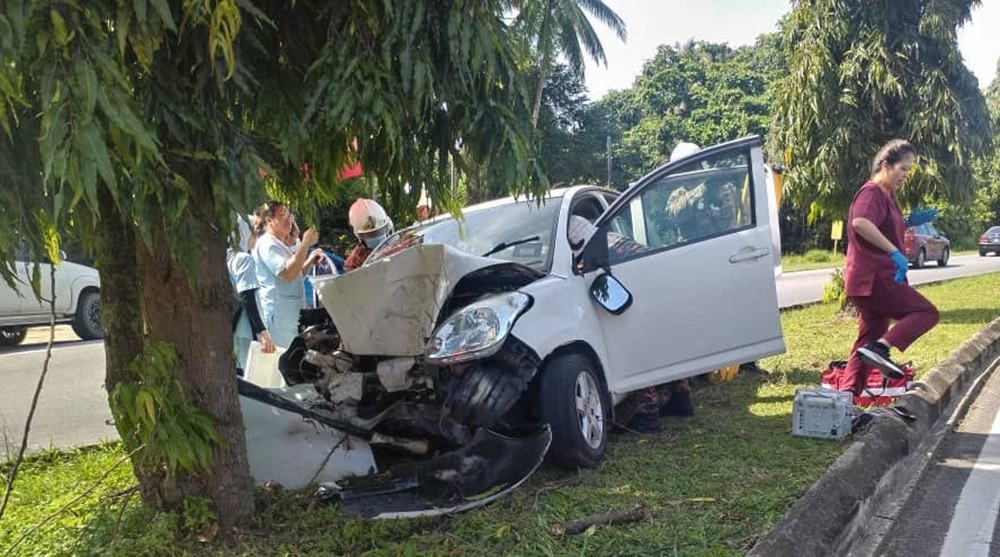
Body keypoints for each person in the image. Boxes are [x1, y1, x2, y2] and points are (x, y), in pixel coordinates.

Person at [843, 139, 940, 395]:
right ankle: (881, 349)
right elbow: (861, 222)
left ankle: (845, 399)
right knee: (926, 312)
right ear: (886, 165)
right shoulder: (871, 191)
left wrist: (908, 221)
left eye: (909, 170)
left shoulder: (887, 196)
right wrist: (894, 251)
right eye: (903, 169)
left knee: (866, 341)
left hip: (870, 279)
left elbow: (881, 224)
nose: (906, 175)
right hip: (874, 278)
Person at [253, 200, 325, 348]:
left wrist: (310, 261)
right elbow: (286, 273)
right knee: (282, 363)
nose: (289, 220)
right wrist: (304, 244)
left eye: (289, 215)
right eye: (282, 215)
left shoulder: (280, 243)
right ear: (269, 220)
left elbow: (296, 274)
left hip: (290, 316)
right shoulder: (267, 244)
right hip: (279, 318)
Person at [227, 214, 274, 374]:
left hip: (231, 327)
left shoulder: (226, 256)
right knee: (251, 373)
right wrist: (263, 332)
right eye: (253, 233)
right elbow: (247, 298)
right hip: (245, 328)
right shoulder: (243, 259)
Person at [343, 198, 394, 272]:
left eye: (379, 231)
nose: (377, 237)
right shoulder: (354, 261)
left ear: (388, 227)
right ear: (359, 236)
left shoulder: (400, 245)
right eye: (370, 235)